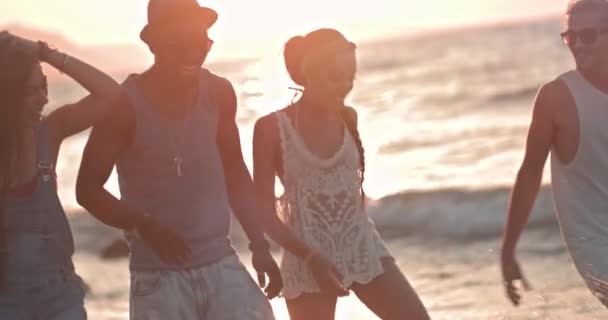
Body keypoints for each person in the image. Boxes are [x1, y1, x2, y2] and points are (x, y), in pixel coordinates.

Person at [75, 0, 281, 319]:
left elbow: (236, 174)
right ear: (155, 43)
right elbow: (87, 190)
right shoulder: (124, 106)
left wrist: (260, 245)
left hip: (221, 264)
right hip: (158, 278)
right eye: (181, 41)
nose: (194, 51)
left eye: (202, 41)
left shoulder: (219, 92)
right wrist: (144, 225)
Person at [252, 28, 430, 320]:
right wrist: (310, 257)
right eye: (335, 76)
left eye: (351, 77)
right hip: (307, 260)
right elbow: (263, 214)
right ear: (309, 74)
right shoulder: (271, 129)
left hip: (362, 248)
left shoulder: (349, 118)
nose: (345, 85)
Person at [0, 31, 121, 319]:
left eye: (45, 87)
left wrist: (46, 53)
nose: (44, 99)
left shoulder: (50, 133)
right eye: (33, 91)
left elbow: (112, 95)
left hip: (61, 299)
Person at [501, 0, 608, 308]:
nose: (576, 45)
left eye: (587, 35)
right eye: (570, 37)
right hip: (595, 244)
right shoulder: (556, 98)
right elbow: (530, 173)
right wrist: (508, 251)